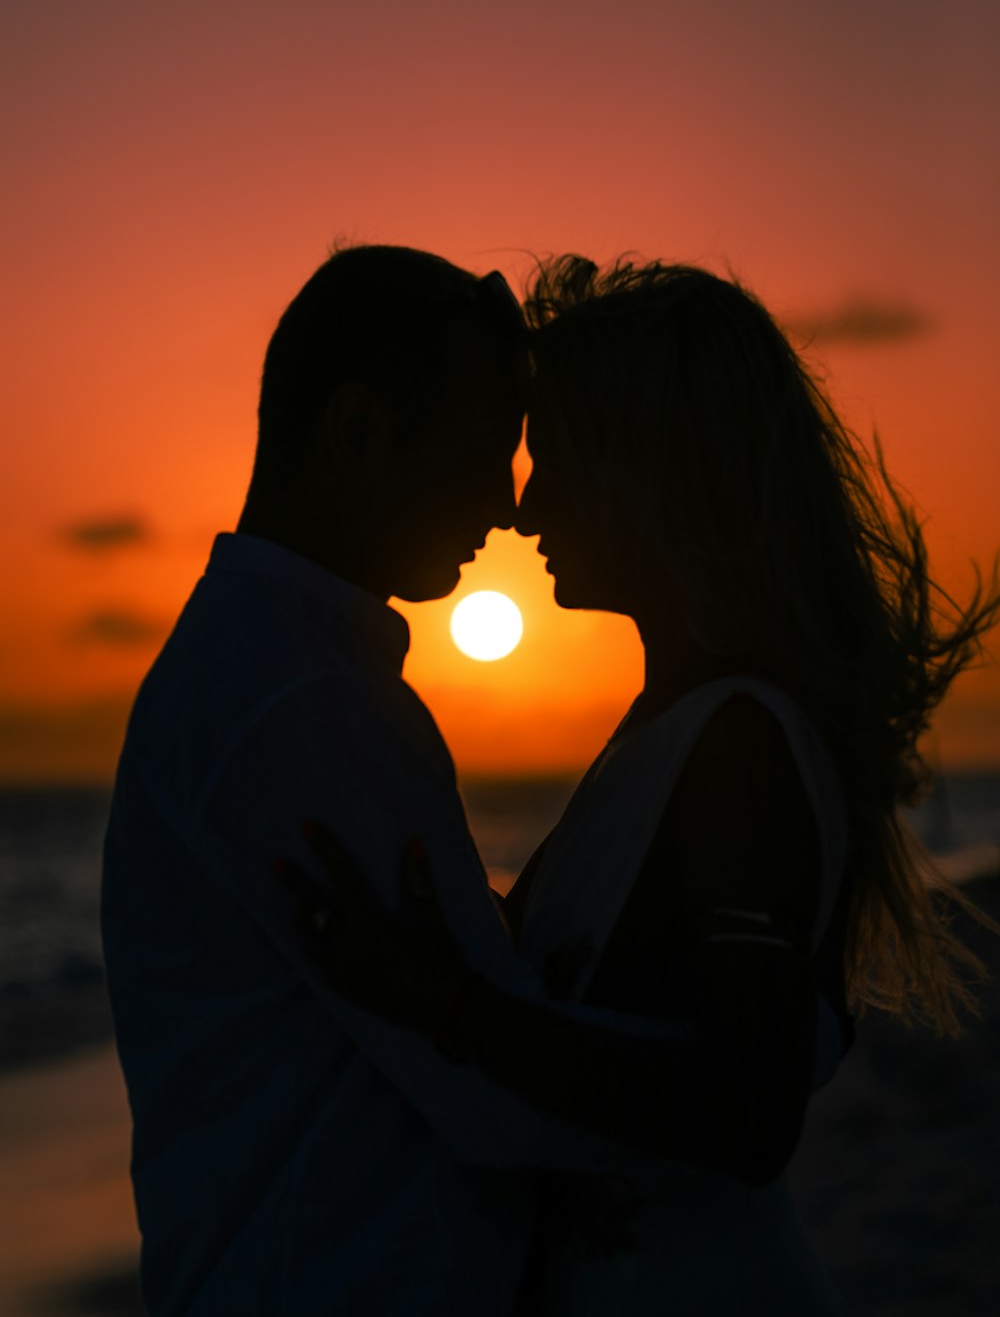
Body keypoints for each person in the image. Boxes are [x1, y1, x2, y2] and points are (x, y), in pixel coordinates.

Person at [286, 256, 999, 1314]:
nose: (523, 508)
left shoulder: (740, 745)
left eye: (558, 458)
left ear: (651, 474)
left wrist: (440, 1000)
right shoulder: (672, 731)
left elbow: (747, 1116)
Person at [102, 243, 739, 1317]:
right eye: (482, 452)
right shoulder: (294, 698)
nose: (506, 507)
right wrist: (733, 1094)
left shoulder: (278, 669)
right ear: (357, 431)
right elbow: (491, 1093)